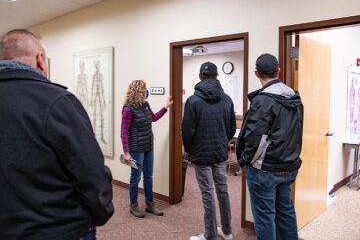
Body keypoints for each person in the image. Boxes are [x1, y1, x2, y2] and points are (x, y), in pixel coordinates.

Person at [0, 29, 114, 240]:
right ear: (41, 60)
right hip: (58, 228)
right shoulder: (57, 102)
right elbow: (91, 173)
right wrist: (101, 212)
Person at [236, 54, 304, 240]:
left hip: (265, 170)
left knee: (265, 218)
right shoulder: (295, 98)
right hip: (289, 166)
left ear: (256, 73)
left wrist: (245, 160)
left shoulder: (263, 101)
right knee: (286, 212)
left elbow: (255, 139)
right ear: (278, 70)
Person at [182, 62, 236, 240]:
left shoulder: (192, 101)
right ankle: (227, 232)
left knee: (207, 193)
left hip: (201, 155)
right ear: (217, 77)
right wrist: (222, 142)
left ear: (200, 77)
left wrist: (190, 151)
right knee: (223, 190)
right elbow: (231, 128)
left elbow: (187, 131)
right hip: (220, 153)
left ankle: (210, 234)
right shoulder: (227, 99)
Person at [120, 80, 173, 218]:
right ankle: (133, 205)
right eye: (144, 90)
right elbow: (124, 132)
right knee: (135, 178)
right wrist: (126, 152)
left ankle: (150, 204)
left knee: (148, 176)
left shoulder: (145, 105)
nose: (146, 92)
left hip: (149, 146)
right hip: (136, 149)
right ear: (138, 92)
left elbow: (153, 118)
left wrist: (165, 107)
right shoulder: (128, 109)